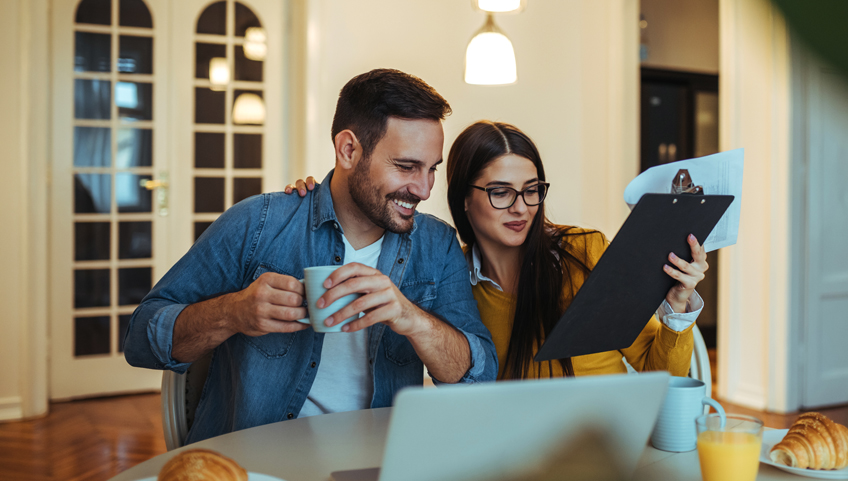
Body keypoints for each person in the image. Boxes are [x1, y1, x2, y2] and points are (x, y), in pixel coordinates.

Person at [124, 69, 498, 444]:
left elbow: (479, 375)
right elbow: (142, 338)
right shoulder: (259, 224)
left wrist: (410, 317)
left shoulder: (437, 244)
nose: (424, 189)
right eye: (406, 166)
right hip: (260, 463)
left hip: (380, 462)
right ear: (348, 150)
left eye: (432, 169)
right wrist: (234, 312)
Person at [287, 120, 705, 380]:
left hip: (605, 444)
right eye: (501, 192)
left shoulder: (584, 252)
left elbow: (661, 373)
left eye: (531, 191)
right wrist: (318, 194)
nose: (521, 208)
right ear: (464, 199)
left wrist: (678, 308)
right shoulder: (450, 280)